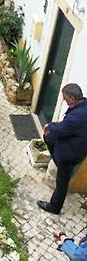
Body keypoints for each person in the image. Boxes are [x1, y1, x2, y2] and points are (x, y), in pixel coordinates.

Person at [37, 83, 87, 214]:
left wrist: (50, 126)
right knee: (48, 138)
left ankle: (54, 207)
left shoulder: (76, 117)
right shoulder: (83, 106)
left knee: (62, 182)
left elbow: (61, 130)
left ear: (72, 98)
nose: (64, 101)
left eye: (65, 98)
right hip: (79, 147)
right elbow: (68, 126)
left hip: (71, 154)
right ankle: (59, 163)